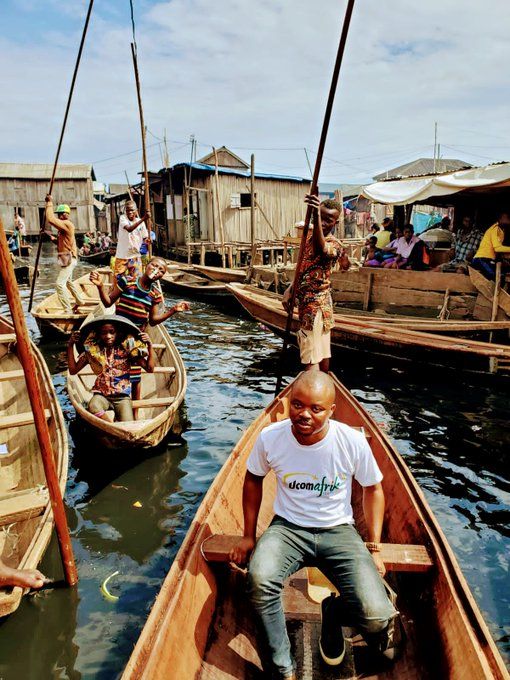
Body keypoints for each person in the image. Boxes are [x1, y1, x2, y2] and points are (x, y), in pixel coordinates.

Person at [229, 372, 400, 679]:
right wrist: (247, 536)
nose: (304, 414)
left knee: (376, 617)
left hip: (339, 531)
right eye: (297, 404)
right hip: (287, 529)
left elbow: (373, 489)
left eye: (315, 408)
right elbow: (254, 478)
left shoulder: (351, 441)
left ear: (331, 411)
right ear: (288, 404)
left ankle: (334, 612)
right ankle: (282, 666)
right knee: (258, 579)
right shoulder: (271, 437)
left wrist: (374, 548)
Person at [90, 257, 190, 406]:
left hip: (135, 338)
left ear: (161, 276)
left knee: (135, 376)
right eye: (154, 266)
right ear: (146, 266)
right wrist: (100, 287)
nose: (157, 270)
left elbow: (153, 320)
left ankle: (135, 409)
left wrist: (173, 310)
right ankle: (108, 398)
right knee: (107, 365)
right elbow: (108, 302)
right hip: (117, 334)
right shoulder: (127, 281)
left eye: (161, 270)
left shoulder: (155, 294)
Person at [282, 196, 342, 373]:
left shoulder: (335, 245)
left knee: (313, 355)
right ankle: (321, 389)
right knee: (319, 352)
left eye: (328, 220)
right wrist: (290, 289)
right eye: (320, 217)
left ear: (335, 223)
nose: (323, 223)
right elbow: (303, 267)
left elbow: (321, 249)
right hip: (307, 304)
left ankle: (315, 392)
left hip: (316, 307)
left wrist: (315, 216)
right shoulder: (308, 239)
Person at [68, 316, 154, 423]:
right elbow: (73, 370)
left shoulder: (128, 350)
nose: (108, 336)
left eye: (112, 332)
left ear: (118, 333)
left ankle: (116, 423)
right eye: (104, 333)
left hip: (122, 397)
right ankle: (111, 425)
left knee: (128, 423)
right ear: (99, 335)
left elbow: (150, 369)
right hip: (101, 395)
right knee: (93, 406)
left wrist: (150, 345)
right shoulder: (92, 351)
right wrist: (70, 345)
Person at [45, 195, 85, 311]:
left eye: (60, 214)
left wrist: (49, 203)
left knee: (59, 284)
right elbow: (60, 243)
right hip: (65, 258)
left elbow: (50, 219)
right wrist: (50, 237)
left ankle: (67, 309)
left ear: (65, 214)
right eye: (58, 214)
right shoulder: (61, 229)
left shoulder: (67, 224)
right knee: (68, 282)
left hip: (70, 258)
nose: (59, 216)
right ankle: (80, 301)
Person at [114, 200, 150, 277]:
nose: (129, 212)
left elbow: (145, 237)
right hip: (122, 256)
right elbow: (129, 229)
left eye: (132, 210)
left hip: (135, 256)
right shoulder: (123, 218)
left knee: (136, 279)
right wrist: (144, 218)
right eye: (127, 210)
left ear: (136, 211)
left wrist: (148, 241)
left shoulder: (141, 222)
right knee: (118, 280)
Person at [471, 213, 510, 280]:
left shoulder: (501, 231)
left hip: (489, 260)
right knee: (494, 275)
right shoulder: (495, 229)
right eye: (506, 218)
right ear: (500, 219)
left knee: (503, 274)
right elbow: (498, 248)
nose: (508, 220)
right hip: (481, 259)